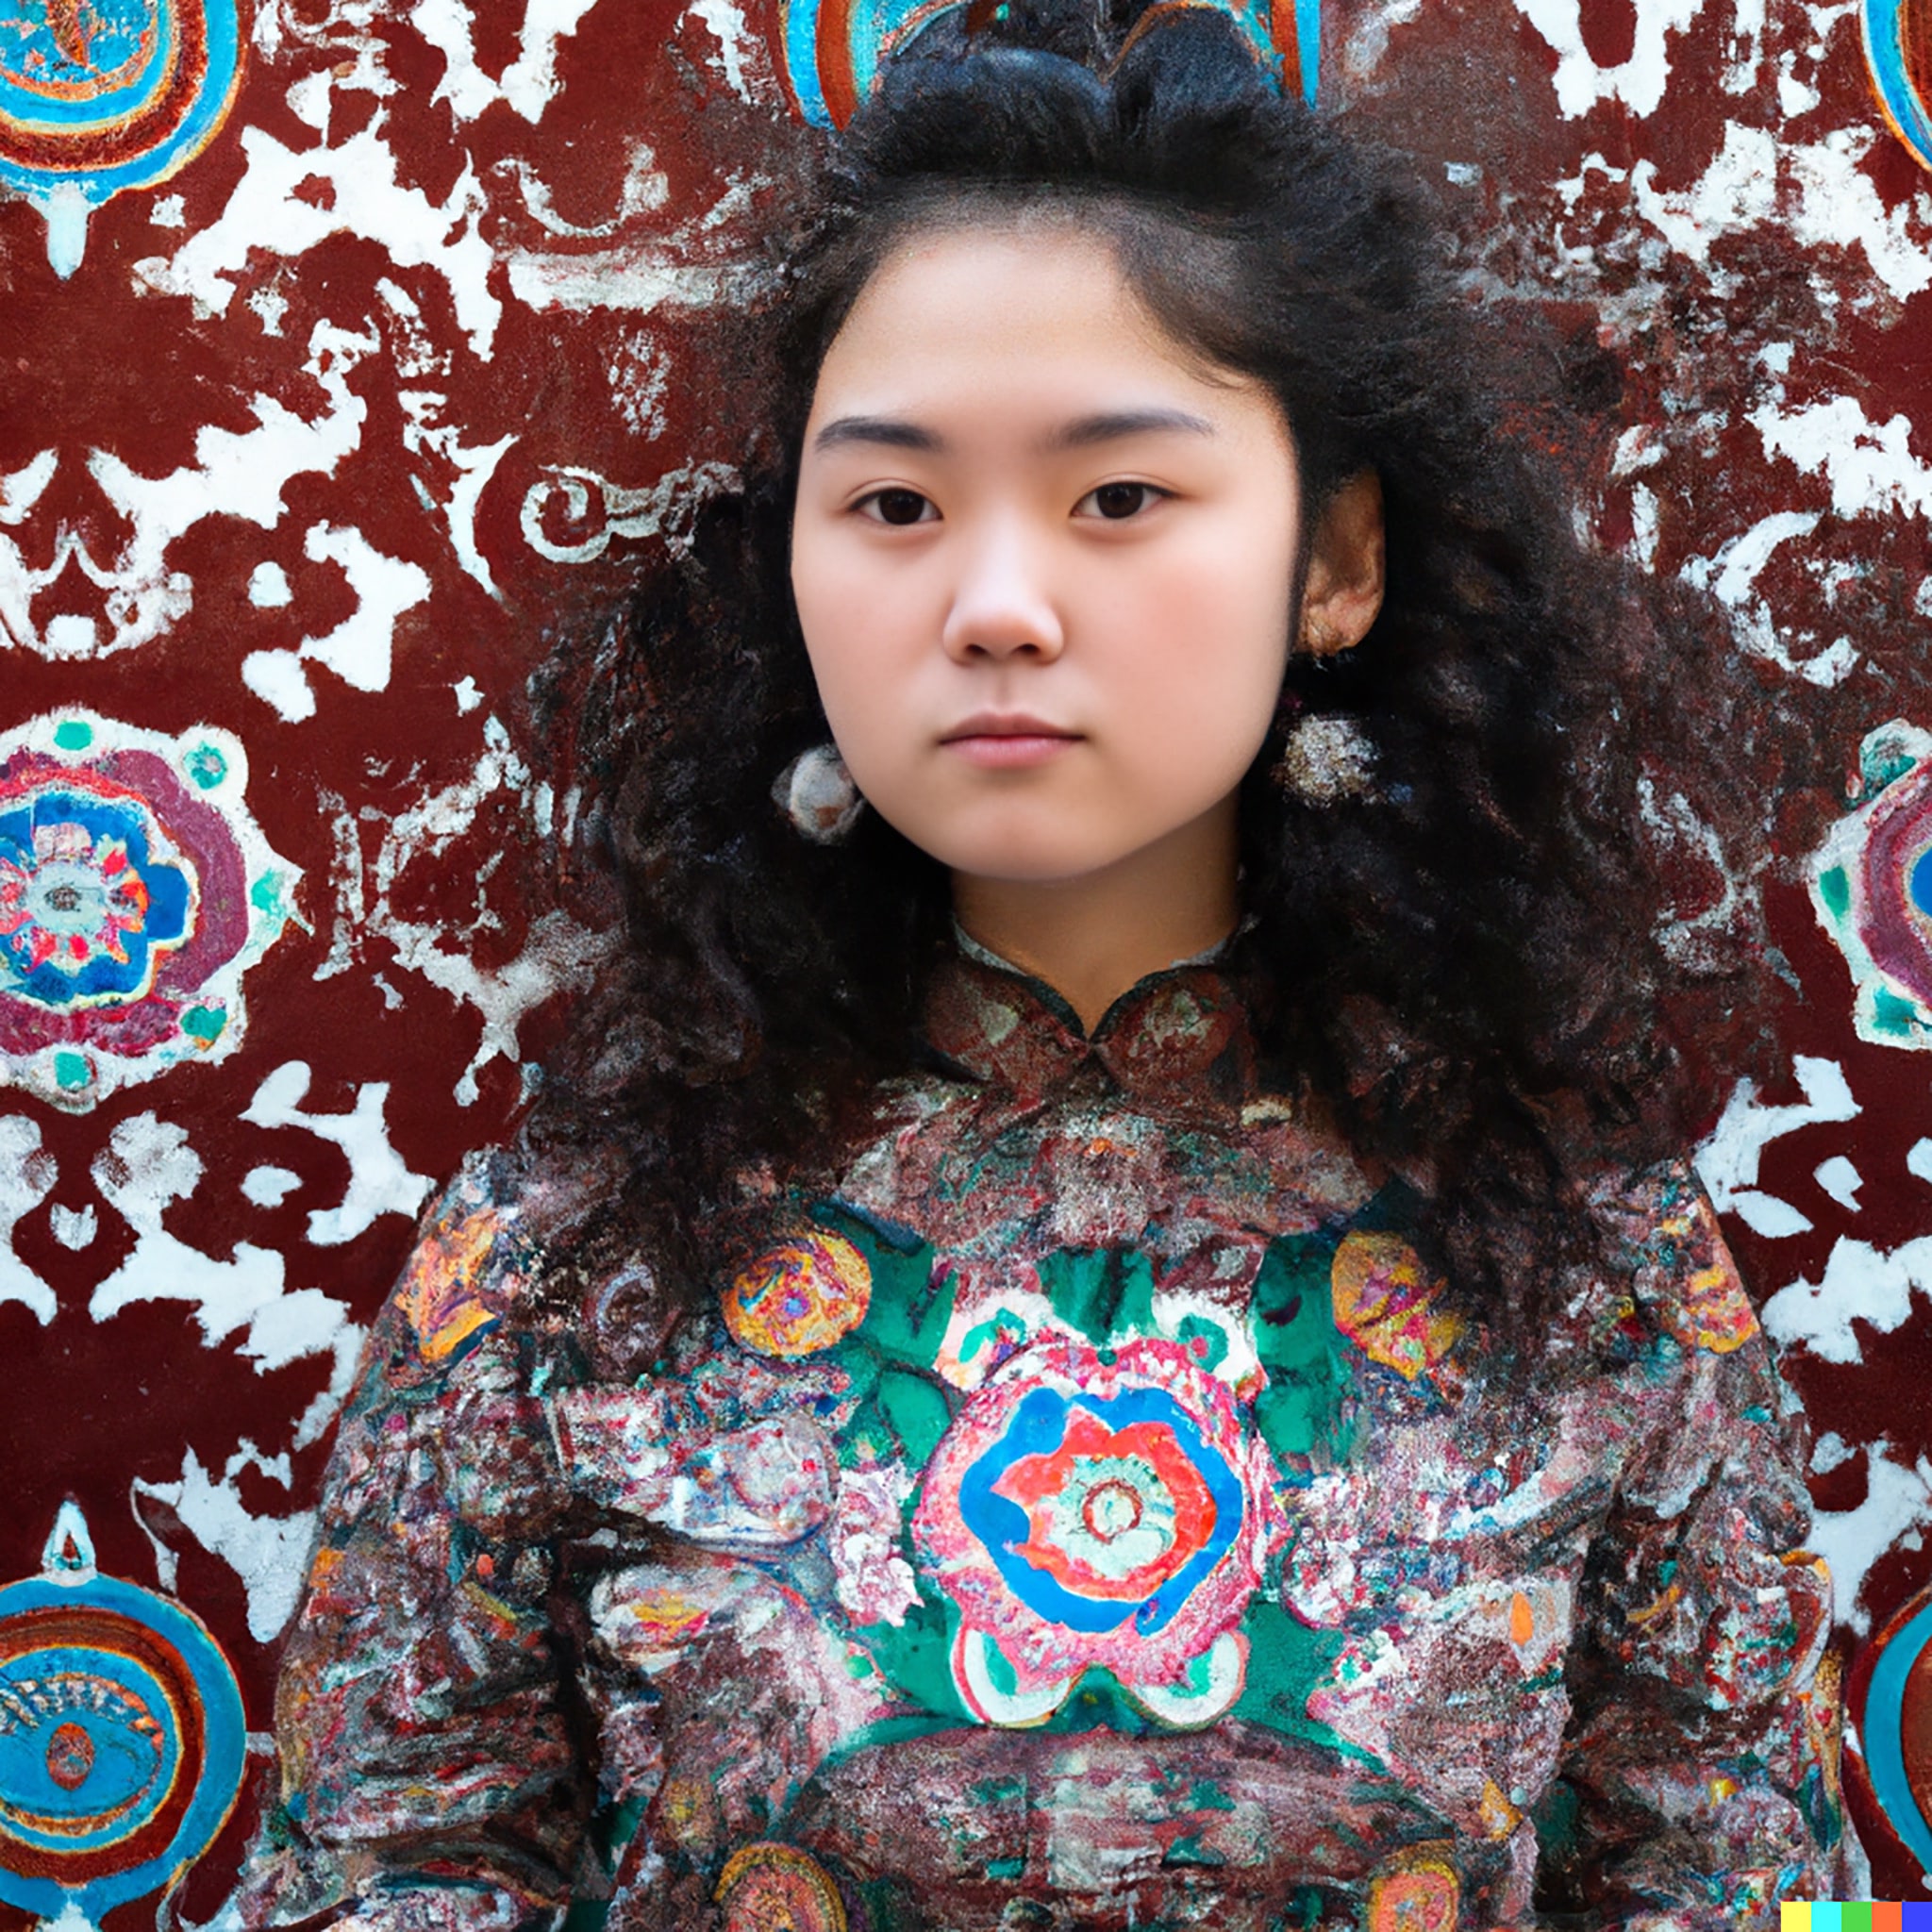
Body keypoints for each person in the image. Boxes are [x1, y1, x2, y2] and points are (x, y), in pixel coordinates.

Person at [230, 4, 1869, 1927]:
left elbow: (1744, 1891)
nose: (995, 603)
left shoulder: (1589, 1263)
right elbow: (377, 1880)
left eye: (1116, 496)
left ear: (1334, 561)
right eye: (896, 504)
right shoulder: (558, 1264)